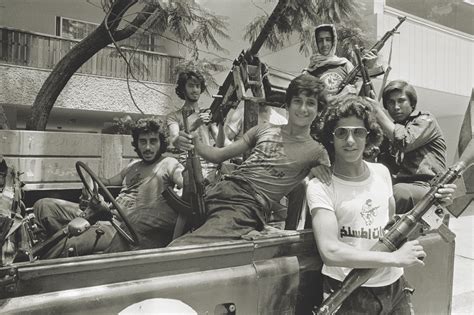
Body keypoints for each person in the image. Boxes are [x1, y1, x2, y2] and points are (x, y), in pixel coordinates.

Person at [306, 95, 455, 314]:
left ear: (369, 137)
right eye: (341, 132)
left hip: (395, 289)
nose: (350, 140)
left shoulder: (381, 173)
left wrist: (437, 208)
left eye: (358, 132)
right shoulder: (320, 186)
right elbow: (331, 251)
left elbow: (391, 228)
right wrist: (393, 258)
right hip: (347, 292)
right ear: (331, 137)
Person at [168, 74, 330, 246]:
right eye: (297, 101)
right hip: (217, 189)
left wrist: (288, 233)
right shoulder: (263, 130)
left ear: (319, 110)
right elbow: (218, 155)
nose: (303, 108)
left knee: (179, 249)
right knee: (145, 222)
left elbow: (326, 193)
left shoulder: (317, 152)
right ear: (287, 104)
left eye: (311, 103)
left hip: (245, 206)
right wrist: (191, 141)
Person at [33, 118, 184, 258]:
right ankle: (37, 247)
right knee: (44, 206)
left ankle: (41, 268)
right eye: (143, 142)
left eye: (153, 141)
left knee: (71, 244)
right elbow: (106, 182)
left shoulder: (169, 163)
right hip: (103, 214)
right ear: (137, 144)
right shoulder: (133, 166)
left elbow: (184, 181)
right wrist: (91, 185)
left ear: (161, 143)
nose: (148, 147)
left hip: (122, 229)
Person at [373, 80, 447, 214]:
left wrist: (378, 113)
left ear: (412, 103)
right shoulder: (388, 131)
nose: (396, 107)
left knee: (397, 193)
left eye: (401, 101)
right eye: (391, 102)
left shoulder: (425, 120)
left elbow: (405, 142)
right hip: (400, 188)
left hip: (429, 187)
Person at [167, 69, 221, 183]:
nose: (195, 90)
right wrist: (196, 124)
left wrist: (220, 120)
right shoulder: (174, 116)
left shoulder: (207, 113)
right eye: (191, 86)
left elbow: (218, 137)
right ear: (183, 89)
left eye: (198, 86)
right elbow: (175, 139)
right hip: (187, 165)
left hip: (210, 164)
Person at [304, 24, 378, 98]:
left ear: (333, 42)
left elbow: (361, 96)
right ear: (315, 43)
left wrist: (368, 69)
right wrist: (340, 95)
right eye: (320, 40)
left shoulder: (345, 64)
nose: (324, 44)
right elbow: (311, 103)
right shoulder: (309, 72)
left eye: (328, 39)